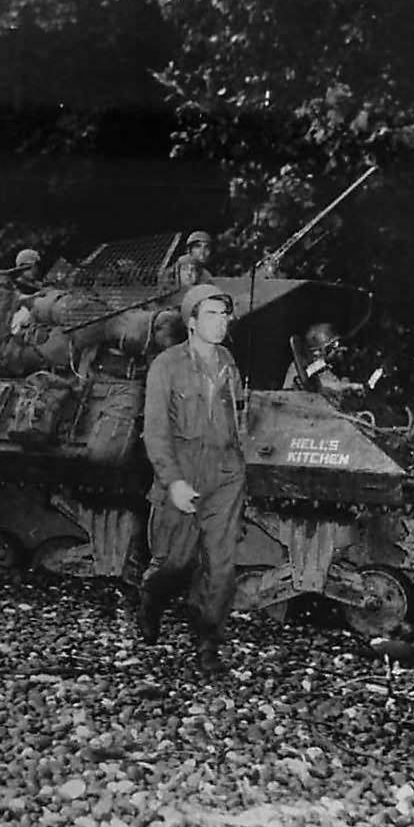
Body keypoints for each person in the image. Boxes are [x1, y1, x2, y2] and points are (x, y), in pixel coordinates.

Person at [137, 283, 245, 676]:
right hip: (183, 472)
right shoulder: (166, 366)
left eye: (225, 314)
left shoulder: (228, 361)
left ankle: (208, 644)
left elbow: (235, 420)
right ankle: (152, 597)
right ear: (192, 322)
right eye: (213, 315)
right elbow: (155, 431)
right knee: (175, 563)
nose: (222, 322)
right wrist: (173, 481)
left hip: (226, 475)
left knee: (221, 566)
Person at [285, 322, 364, 400]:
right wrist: (347, 387)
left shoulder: (330, 370)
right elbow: (317, 385)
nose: (337, 351)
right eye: (331, 347)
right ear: (316, 352)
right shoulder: (298, 368)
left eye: (338, 345)